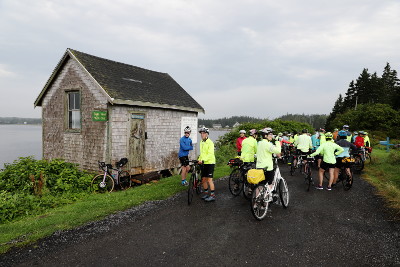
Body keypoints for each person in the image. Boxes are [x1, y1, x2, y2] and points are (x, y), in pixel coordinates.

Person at [198, 127, 216, 202]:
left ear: (207, 134)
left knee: (209, 179)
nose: (202, 135)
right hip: (204, 163)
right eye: (201, 133)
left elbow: (210, 154)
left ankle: (212, 195)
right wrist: (199, 159)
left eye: (204, 133)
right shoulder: (201, 142)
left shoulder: (210, 143)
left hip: (210, 163)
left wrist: (203, 160)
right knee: (203, 179)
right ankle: (206, 193)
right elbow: (202, 153)